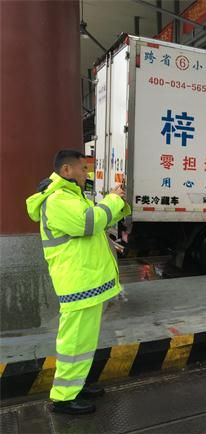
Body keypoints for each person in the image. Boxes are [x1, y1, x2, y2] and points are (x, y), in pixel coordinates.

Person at [26, 150, 131, 415]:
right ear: (66, 170)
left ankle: (76, 385)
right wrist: (112, 200)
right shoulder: (57, 199)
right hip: (77, 283)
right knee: (74, 343)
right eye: (83, 169)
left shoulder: (72, 196)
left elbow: (98, 221)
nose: (87, 174)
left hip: (86, 282)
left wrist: (117, 203)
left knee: (83, 342)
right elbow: (89, 223)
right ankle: (63, 398)